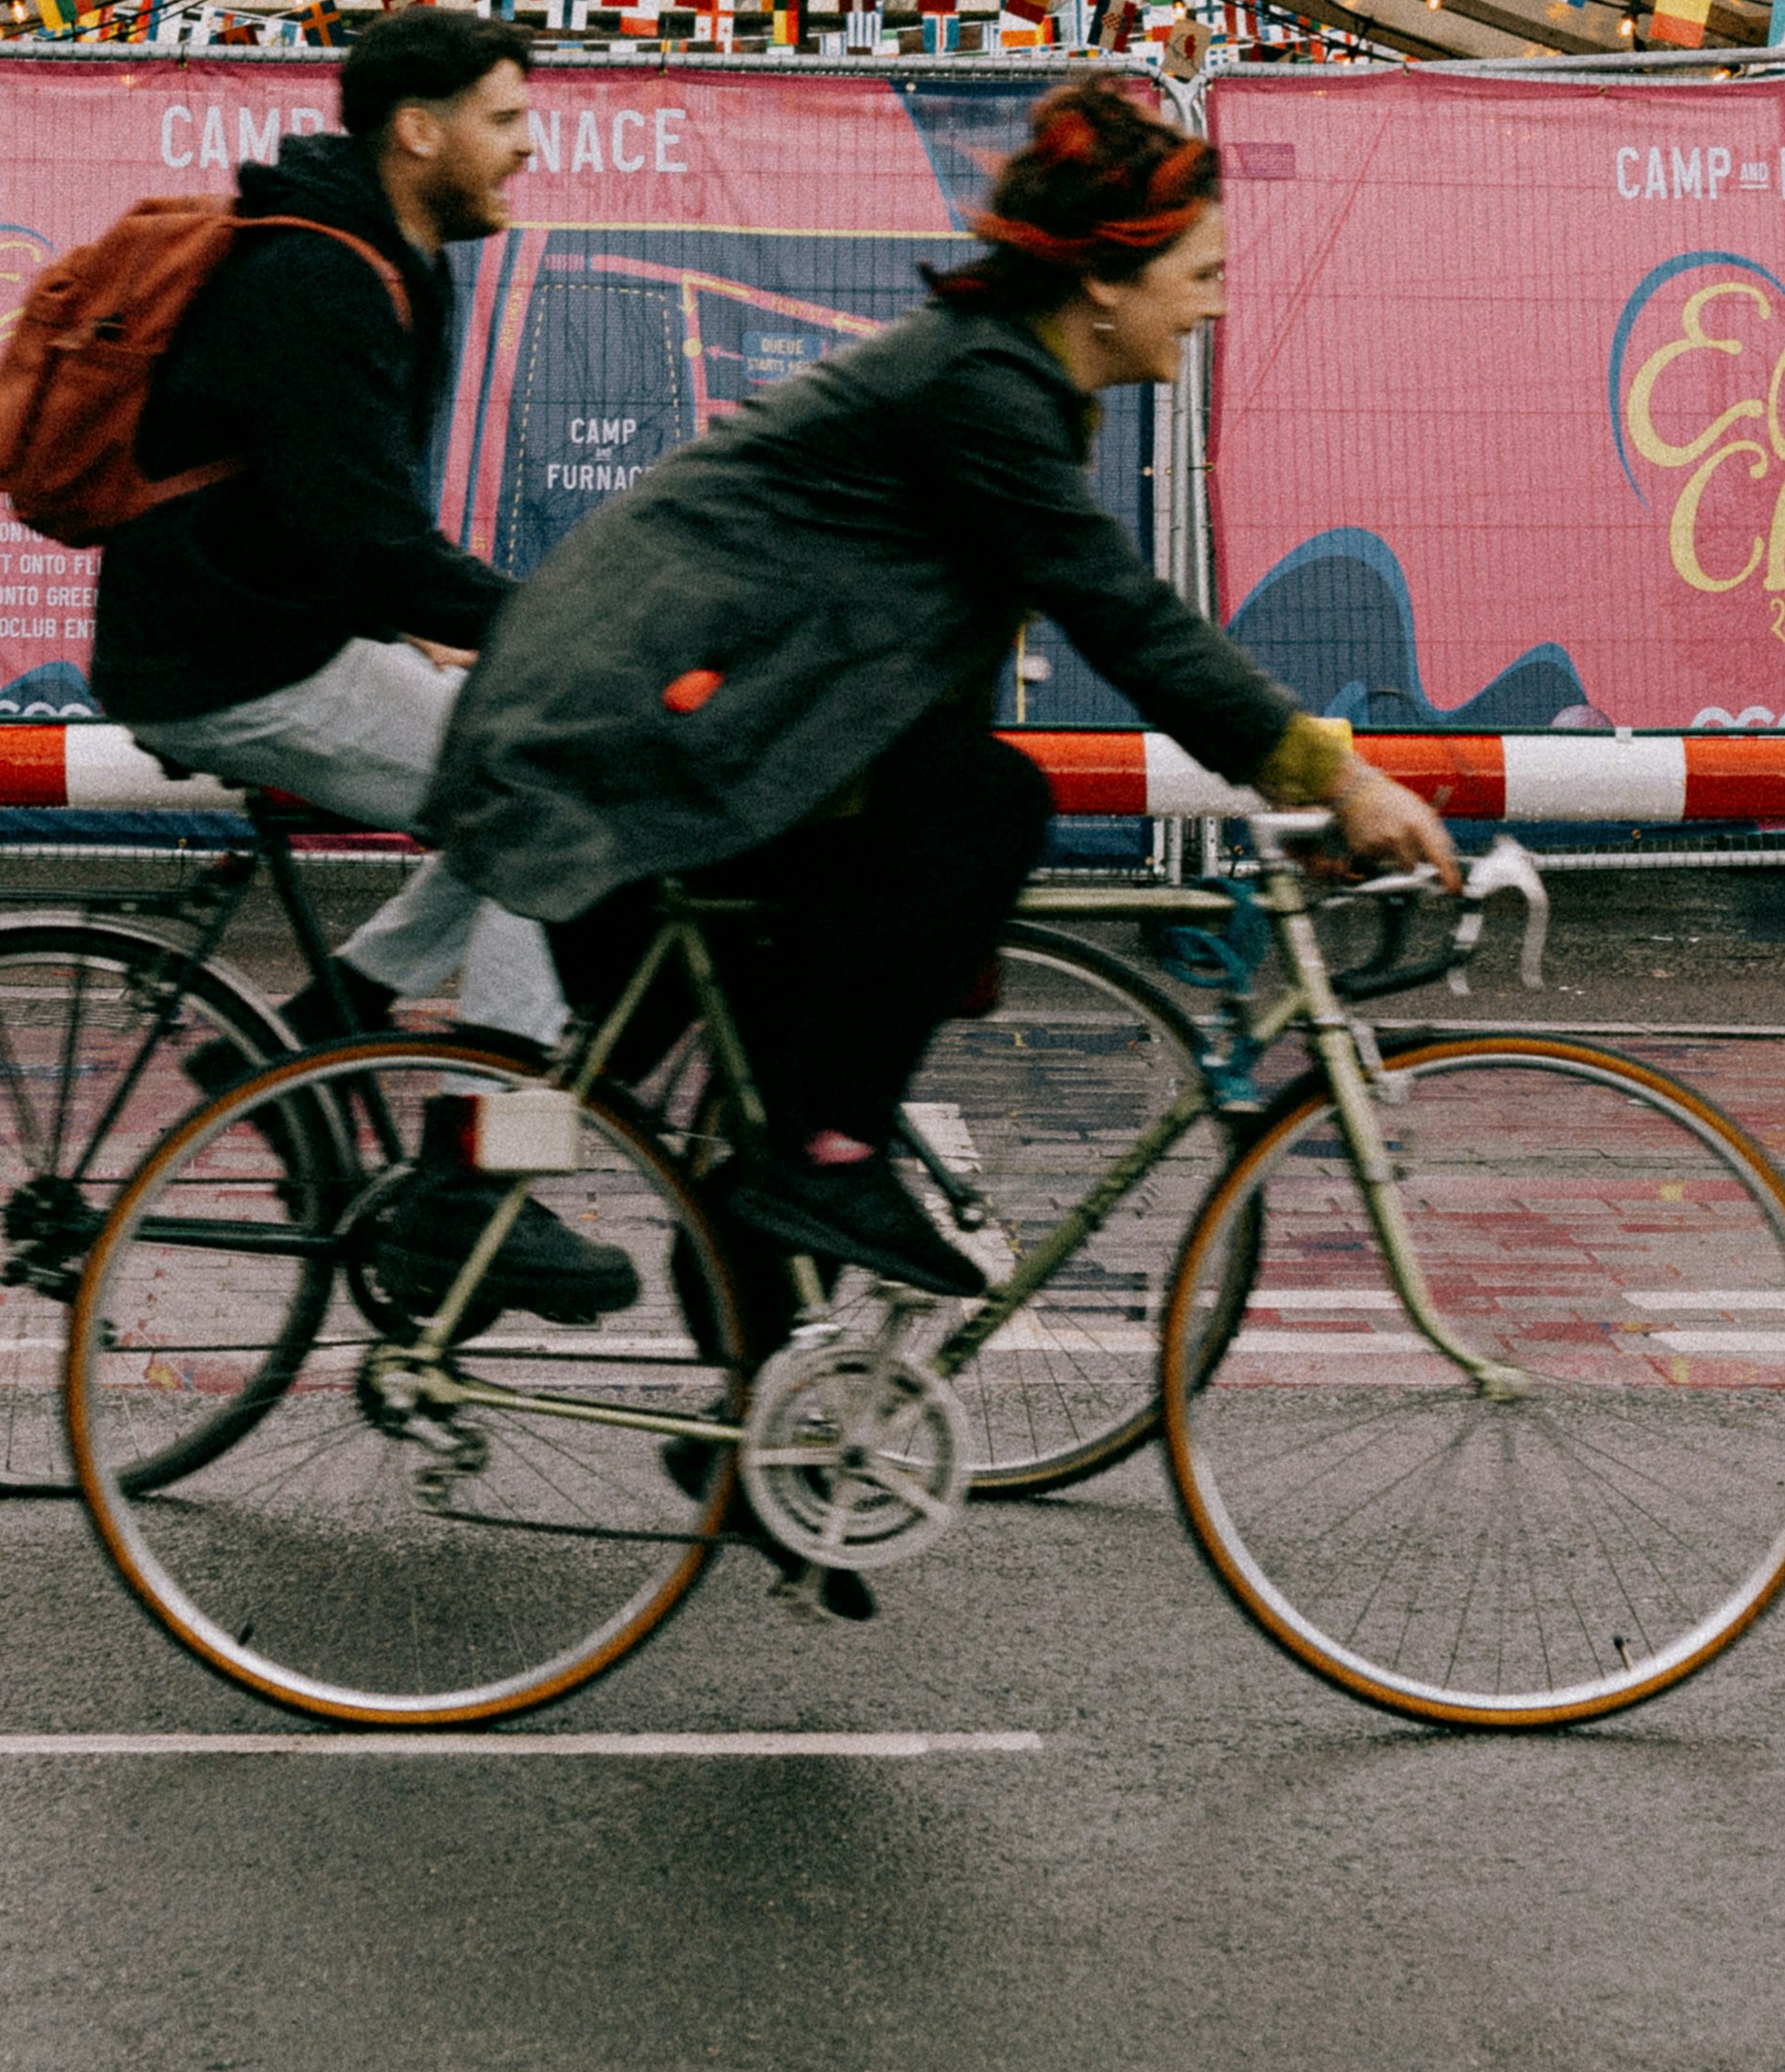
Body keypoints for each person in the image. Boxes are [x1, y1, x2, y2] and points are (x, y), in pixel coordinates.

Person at [421, 77, 1457, 1314]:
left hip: (678, 725)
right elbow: (1119, 612)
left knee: (762, 1091)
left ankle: (753, 1449)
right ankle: (747, 1168)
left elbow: (919, 656)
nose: (1218, 298)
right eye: (1201, 268)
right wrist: (1328, 774)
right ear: (1105, 279)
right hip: (633, 728)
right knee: (979, 810)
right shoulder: (982, 391)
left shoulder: (1002, 381)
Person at [90, 0, 572, 1067]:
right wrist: (555, 626)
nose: (528, 144)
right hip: (232, 658)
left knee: (523, 765)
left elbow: (330, 510)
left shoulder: (388, 256)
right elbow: (363, 533)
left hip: (267, 631)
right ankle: (484, 1158)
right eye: (503, 118)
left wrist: (439, 624)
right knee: (541, 799)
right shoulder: (321, 275)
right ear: (418, 129)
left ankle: (323, 1021)